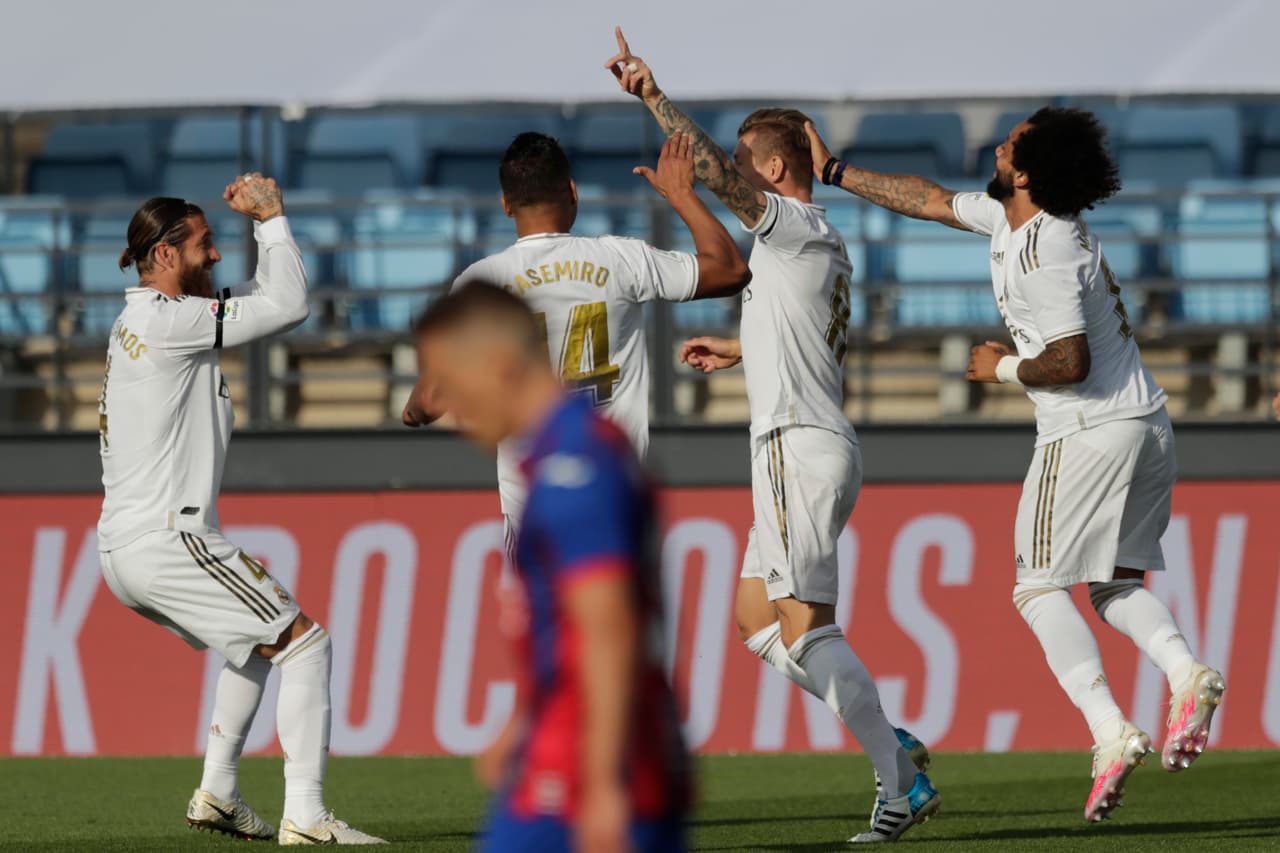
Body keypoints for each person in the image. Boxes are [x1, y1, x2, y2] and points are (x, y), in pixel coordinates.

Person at [805, 107, 1225, 821]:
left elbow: (1071, 359)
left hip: (1089, 428)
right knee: (1115, 585)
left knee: (1035, 588)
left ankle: (1110, 730)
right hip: (1147, 422)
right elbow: (930, 200)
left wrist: (1001, 370)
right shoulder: (1014, 219)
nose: (996, 147)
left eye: (1009, 144)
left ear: (1024, 172)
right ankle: (1186, 673)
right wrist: (837, 172)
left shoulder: (1045, 249)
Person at [606, 29, 937, 844]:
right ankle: (892, 745)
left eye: (751, 158)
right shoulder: (794, 248)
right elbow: (795, 329)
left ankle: (897, 785)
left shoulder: (792, 222)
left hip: (798, 443)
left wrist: (654, 95)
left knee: (808, 625)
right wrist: (737, 345)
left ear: (778, 171)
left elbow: (717, 175)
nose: (739, 171)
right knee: (758, 619)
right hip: (799, 441)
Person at [96, 176, 385, 845]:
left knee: (254, 646)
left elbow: (253, 303)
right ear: (166, 255)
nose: (216, 256)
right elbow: (287, 302)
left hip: (126, 544)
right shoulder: (171, 323)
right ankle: (307, 816)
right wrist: (272, 220)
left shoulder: (143, 320)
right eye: (204, 245)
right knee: (307, 645)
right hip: (170, 536)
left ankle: (220, 791)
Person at [414, 281, 690, 853]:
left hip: (584, 770)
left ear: (496, 364)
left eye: (451, 383)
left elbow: (608, 627)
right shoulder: (579, 448)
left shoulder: (573, 466)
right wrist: (520, 724)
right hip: (567, 751)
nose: (448, 408)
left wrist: (604, 782)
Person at [403, 130, 750, 553]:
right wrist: (680, 193)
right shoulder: (620, 259)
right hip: (614, 496)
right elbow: (731, 270)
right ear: (572, 192)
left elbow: (431, 396)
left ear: (506, 204)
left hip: (534, 510)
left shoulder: (483, 282)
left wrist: (416, 409)